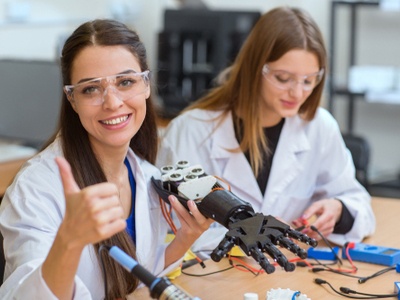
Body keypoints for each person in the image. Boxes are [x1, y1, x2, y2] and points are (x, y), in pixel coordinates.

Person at [0, 19, 212, 300]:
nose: (112, 102)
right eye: (91, 89)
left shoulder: (145, 175)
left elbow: (131, 278)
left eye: (125, 82)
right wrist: (68, 242)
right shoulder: (36, 189)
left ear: (146, 85)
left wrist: (186, 237)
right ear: (72, 99)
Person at [156, 6, 376, 252]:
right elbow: (165, 229)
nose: (297, 93)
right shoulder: (190, 131)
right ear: (255, 67)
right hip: (213, 280)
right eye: (283, 78)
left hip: (288, 276)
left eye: (309, 80)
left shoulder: (319, 127)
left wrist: (338, 210)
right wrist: (248, 233)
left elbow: (359, 204)